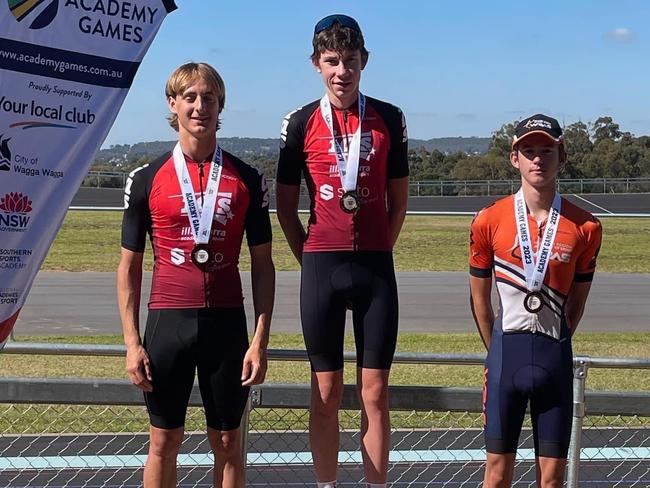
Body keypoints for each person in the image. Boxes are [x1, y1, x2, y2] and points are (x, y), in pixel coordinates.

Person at [117, 62, 274, 488]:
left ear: (221, 105)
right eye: (190, 97)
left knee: (228, 440)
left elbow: (263, 263)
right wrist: (132, 343)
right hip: (168, 322)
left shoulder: (248, 179)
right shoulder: (145, 178)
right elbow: (129, 267)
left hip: (226, 324)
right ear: (173, 104)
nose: (200, 106)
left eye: (209, 97)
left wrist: (260, 338)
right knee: (164, 442)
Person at [276, 14, 409, 488]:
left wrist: (376, 250)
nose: (341, 72)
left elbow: (399, 202)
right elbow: (286, 210)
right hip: (322, 267)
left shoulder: (389, 118)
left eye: (350, 61)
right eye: (332, 61)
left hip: (375, 267)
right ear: (316, 64)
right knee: (326, 393)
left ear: (364, 62)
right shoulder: (300, 122)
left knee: (375, 393)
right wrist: (312, 256)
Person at [469, 114, 602, 487]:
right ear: (515, 159)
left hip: (553, 359)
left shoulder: (586, 227)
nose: (537, 159)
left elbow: (576, 303)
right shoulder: (488, 220)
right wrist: (497, 348)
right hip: (504, 357)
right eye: (529, 151)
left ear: (562, 156)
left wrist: (555, 338)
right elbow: (480, 300)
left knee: (553, 479)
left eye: (546, 151)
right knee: (496, 475)